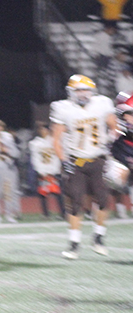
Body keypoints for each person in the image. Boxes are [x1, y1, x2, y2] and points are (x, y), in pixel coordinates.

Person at [50, 74, 117, 259]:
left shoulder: (102, 104)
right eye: (78, 90)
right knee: (75, 202)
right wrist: (64, 161)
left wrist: (114, 150)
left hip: (99, 159)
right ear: (71, 92)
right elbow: (56, 139)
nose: (83, 94)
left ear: (92, 91)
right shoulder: (63, 108)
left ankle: (99, 237)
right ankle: (74, 244)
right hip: (76, 161)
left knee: (103, 200)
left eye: (85, 89)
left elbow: (114, 128)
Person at [28, 122, 65, 219]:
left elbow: (57, 157)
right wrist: (41, 171)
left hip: (54, 171)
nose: (42, 131)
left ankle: (63, 213)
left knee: (58, 193)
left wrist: (55, 170)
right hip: (42, 171)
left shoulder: (55, 141)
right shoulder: (35, 143)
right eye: (40, 129)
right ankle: (45, 213)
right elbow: (35, 158)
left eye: (44, 129)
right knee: (43, 194)